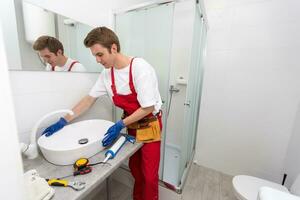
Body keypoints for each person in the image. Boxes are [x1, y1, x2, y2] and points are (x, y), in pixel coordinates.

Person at [42, 27, 163, 200]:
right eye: (95, 56)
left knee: (149, 176)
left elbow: (148, 107)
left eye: (100, 54)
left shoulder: (139, 68)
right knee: (136, 169)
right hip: (132, 125)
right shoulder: (107, 74)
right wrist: (64, 119)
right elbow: (89, 99)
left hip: (149, 123)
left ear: (113, 48)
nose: (98, 60)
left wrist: (120, 124)